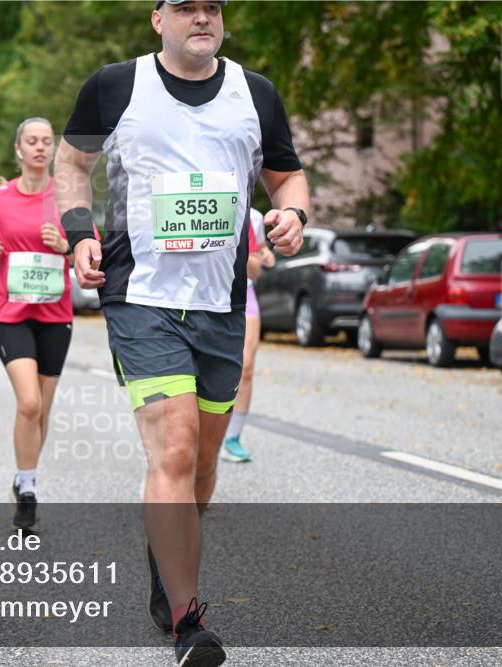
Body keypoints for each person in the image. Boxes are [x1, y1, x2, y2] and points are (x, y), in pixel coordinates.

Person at [55, 1, 309, 663]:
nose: (202, 17)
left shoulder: (256, 94)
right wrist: (80, 234)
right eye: (186, 7)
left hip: (222, 301)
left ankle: (164, 567)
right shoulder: (116, 85)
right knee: (174, 447)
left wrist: (293, 214)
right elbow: (72, 163)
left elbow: (287, 177)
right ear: (157, 18)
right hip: (140, 295)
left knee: (200, 466)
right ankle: (187, 622)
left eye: (212, 7)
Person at [0, 117, 74, 532]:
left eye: (47, 141)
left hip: (55, 315)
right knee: (29, 403)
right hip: (10, 314)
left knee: (42, 410)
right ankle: (28, 490)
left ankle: (23, 477)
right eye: (32, 141)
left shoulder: (68, 196)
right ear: (18, 149)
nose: (40, 147)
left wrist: (66, 246)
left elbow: (91, 248)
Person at [220, 208, 274, 462]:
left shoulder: (253, 216)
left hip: (243, 292)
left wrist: (264, 254)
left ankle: (233, 437)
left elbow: (258, 256)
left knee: (246, 367)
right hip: (204, 290)